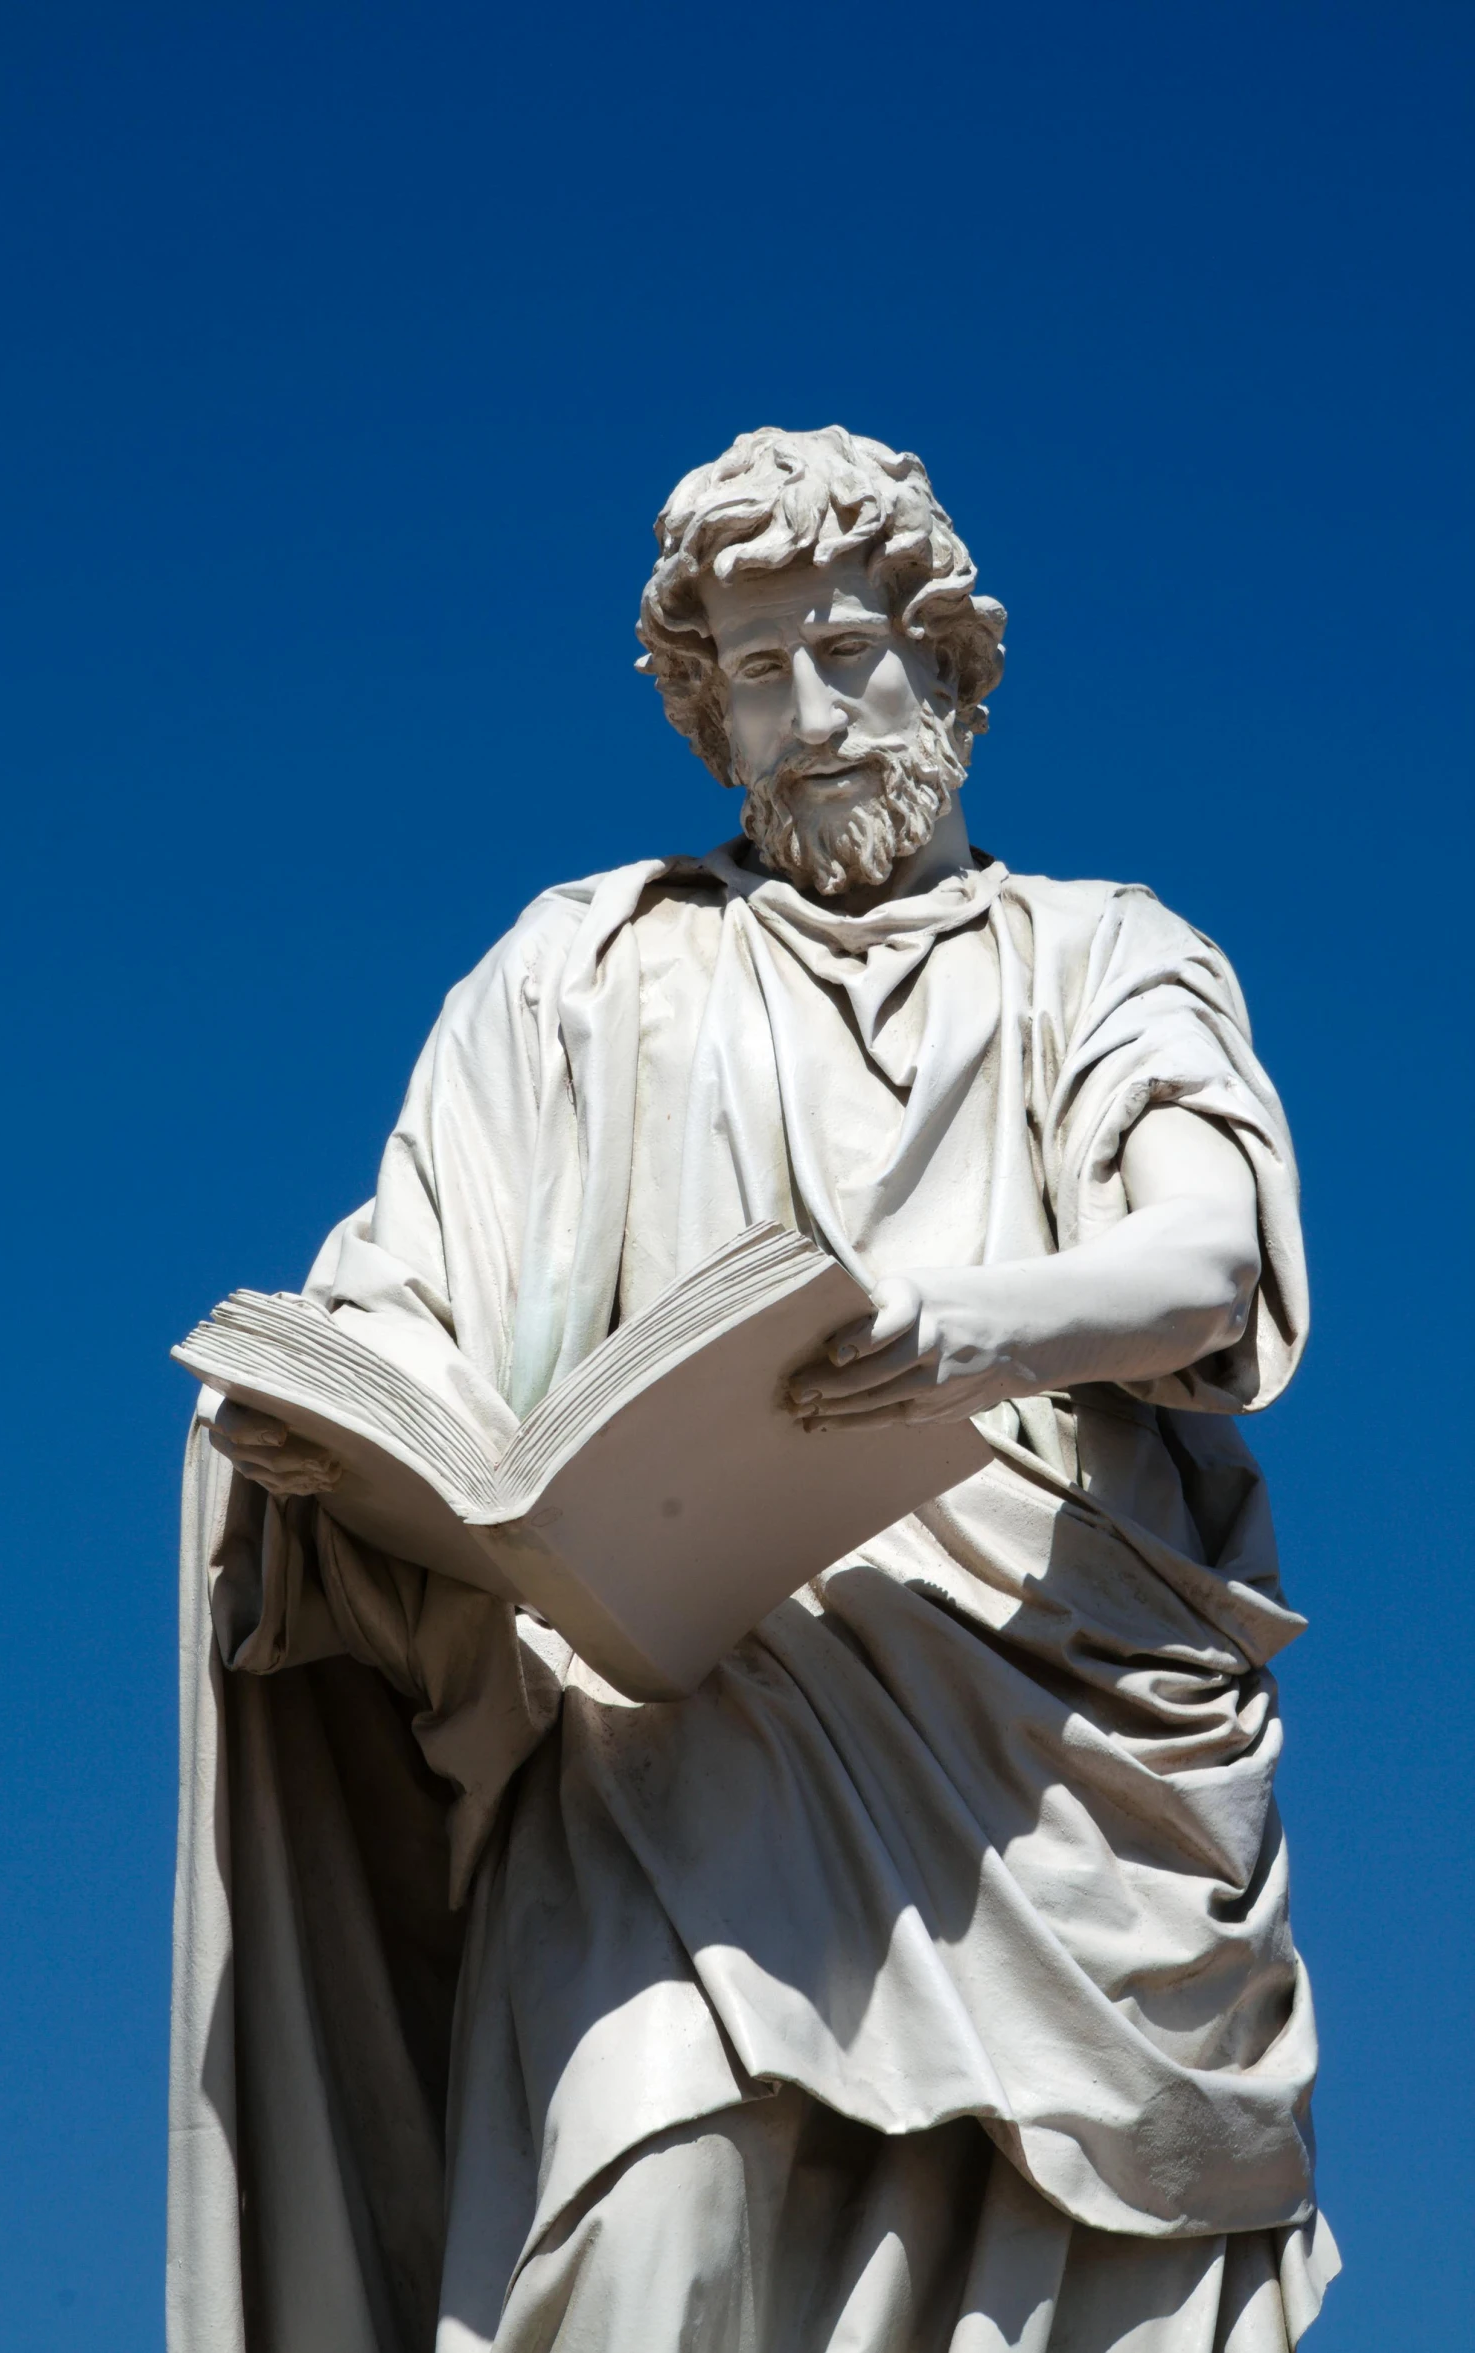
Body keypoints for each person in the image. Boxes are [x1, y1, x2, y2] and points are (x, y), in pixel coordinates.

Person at [170, 427, 1337, 2353]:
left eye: (847, 650)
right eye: (753, 674)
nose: (805, 718)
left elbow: (1205, 1256)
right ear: (703, 708)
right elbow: (411, 1300)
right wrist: (319, 1433)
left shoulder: (1105, 956)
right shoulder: (575, 974)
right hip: (680, 1726)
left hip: (1054, 1765)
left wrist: (969, 1326)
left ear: (949, 660)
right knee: (643, 2222)